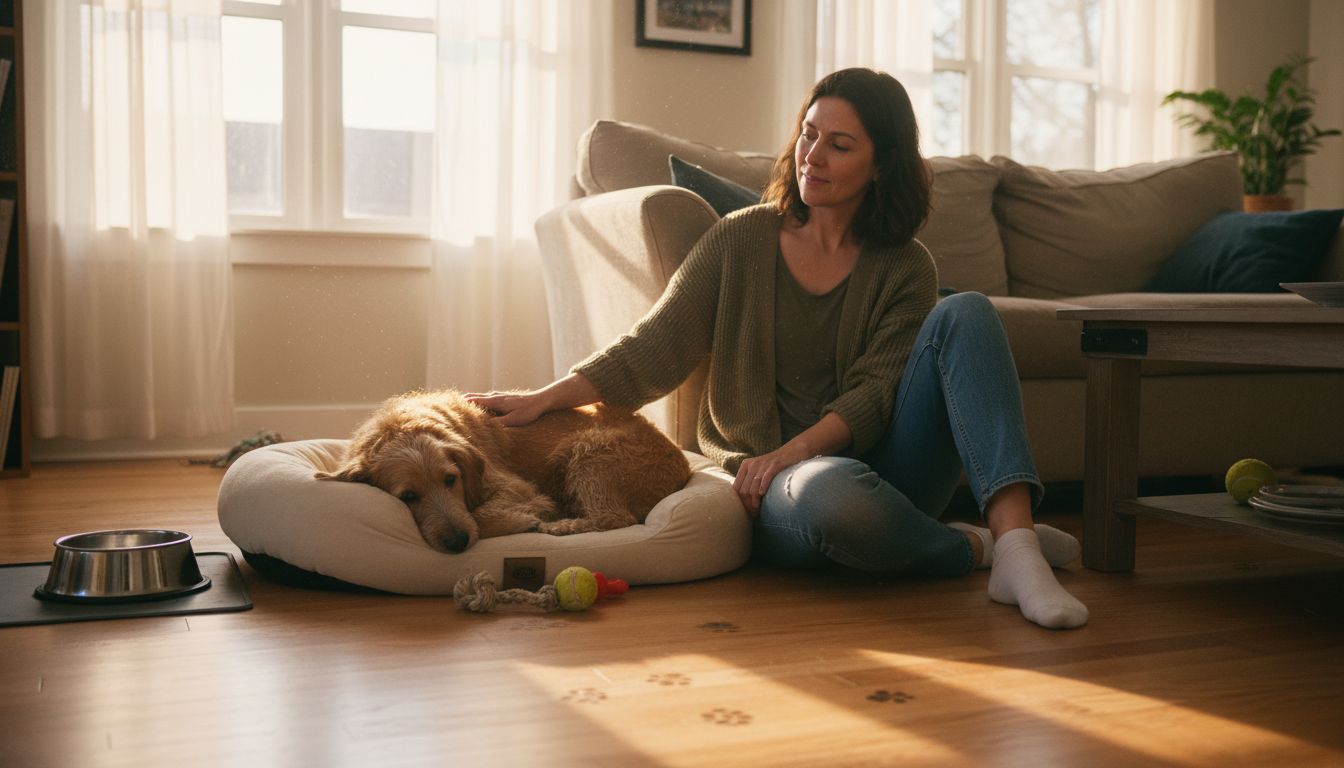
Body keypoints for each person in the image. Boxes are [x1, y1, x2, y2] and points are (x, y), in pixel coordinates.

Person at [470, 68, 1088, 629]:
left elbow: (876, 394)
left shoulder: (906, 266)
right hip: (787, 491)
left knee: (968, 311)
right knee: (832, 496)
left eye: (839, 145)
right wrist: (544, 397)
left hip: (890, 468)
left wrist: (789, 451)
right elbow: (651, 346)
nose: (811, 157)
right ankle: (984, 548)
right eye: (808, 135)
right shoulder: (739, 239)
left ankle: (1018, 545)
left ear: (882, 165)